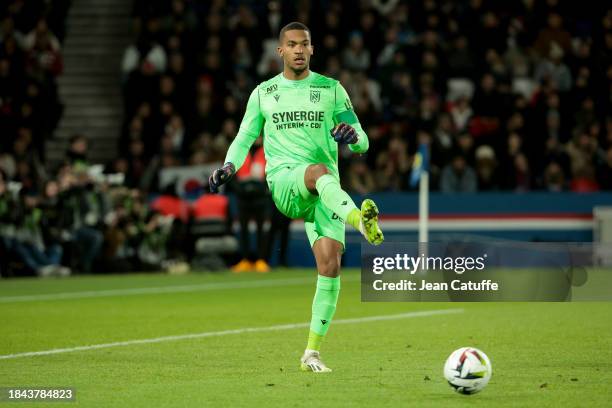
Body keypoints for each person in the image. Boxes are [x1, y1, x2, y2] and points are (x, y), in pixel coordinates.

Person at [208, 22, 384, 373]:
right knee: (319, 170)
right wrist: (229, 167)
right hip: (286, 181)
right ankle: (360, 223)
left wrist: (352, 136)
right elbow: (244, 138)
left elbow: (362, 139)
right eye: (292, 45)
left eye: (304, 44)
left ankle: (311, 354)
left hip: (326, 194)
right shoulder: (264, 92)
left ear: (312, 49)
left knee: (330, 265)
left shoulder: (332, 89)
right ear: (281, 51)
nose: (299, 50)